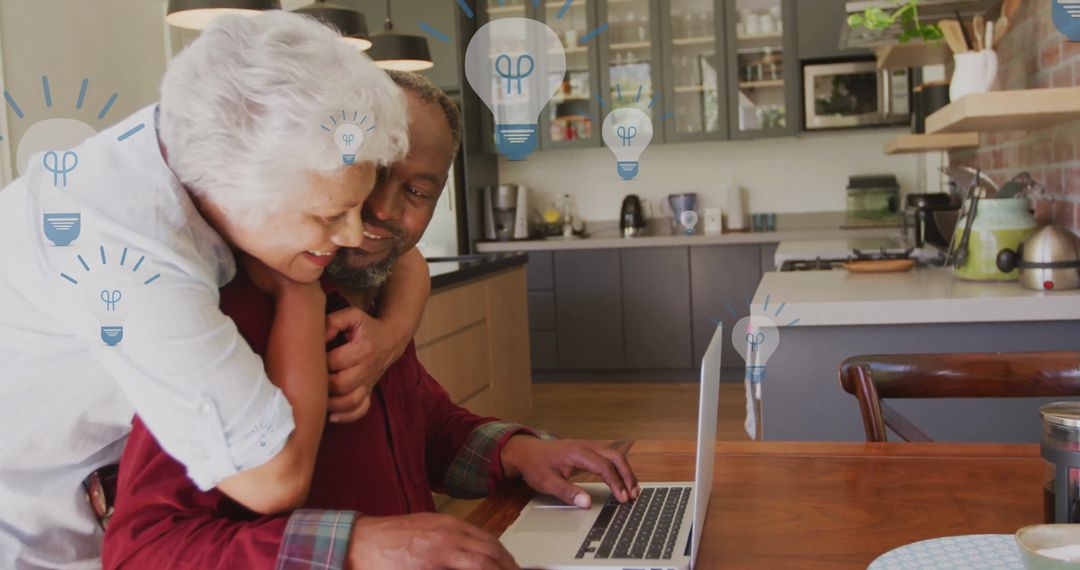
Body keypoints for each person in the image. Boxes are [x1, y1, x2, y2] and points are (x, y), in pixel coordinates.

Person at [102, 71, 640, 570]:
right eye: (372, 173)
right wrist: (356, 543)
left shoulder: (373, 303)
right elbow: (143, 547)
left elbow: (423, 427)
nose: (380, 208)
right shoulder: (224, 317)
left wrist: (523, 452)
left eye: (416, 191)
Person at [0, 12, 424, 569]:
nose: (349, 236)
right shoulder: (130, 254)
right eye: (329, 215)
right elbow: (273, 480)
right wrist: (303, 292)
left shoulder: (209, 144)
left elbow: (405, 258)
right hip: (31, 533)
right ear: (233, 189)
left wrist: (390, 334)